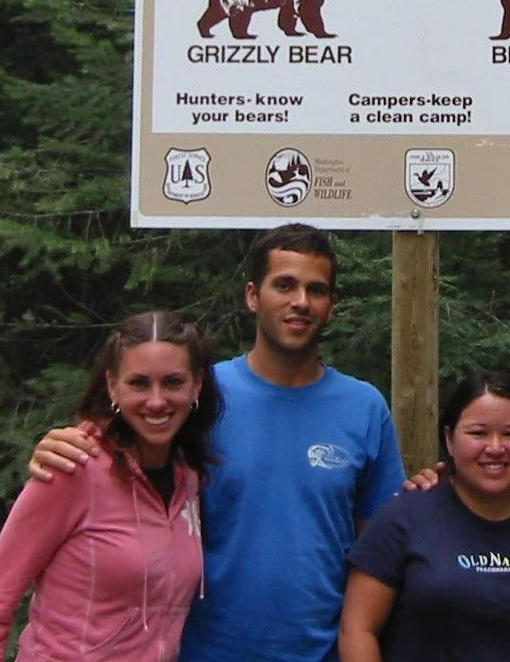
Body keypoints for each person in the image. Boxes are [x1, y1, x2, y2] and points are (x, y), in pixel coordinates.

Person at [27, 223, 407, 662]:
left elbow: (379, 550)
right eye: (284, 285)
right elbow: (124, 471)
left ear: (331, 305)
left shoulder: (363, 407)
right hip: (204, 650)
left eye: (315, 290)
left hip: (321, 652)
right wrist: (66, 442)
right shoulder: (199, 397)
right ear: (252, 295)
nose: (300, 302)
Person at [0, 312, 219, 661]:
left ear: (196, 385)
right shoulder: (74, 468)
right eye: (139, 383)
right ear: (113, 386)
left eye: (172, 382)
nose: (156, 401)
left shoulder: (188, 477)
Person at [340, 370, 510, 662]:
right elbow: (358, 630)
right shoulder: (402, 518)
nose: (495, 448)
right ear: (449, 439)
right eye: (478, 433)